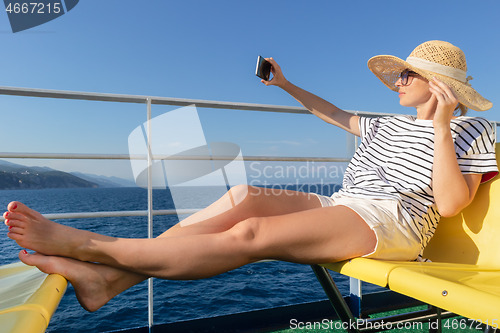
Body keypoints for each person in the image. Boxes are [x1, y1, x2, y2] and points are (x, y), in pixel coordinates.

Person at [4, 40, 497, 312]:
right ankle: (108, 283)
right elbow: (332, 114)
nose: (396, 81)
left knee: (250, 234)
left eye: (405, 75)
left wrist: (438, 126)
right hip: (345, 204)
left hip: (394, 223)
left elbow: (451, 203)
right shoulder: (386, 123)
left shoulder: (471, 128)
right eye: (397, 75)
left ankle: (91, 250)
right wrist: (284, 84)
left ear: (438, 85)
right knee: (243, 195)